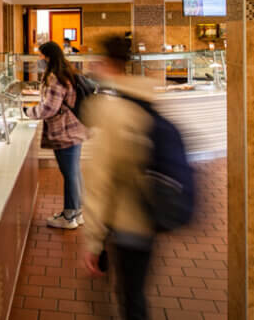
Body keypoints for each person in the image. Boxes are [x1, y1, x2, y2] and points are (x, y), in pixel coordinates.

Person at [81, 35, 157, 320]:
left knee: (127, 296)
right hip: (150, 213)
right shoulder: (147, 96)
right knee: (135, 291)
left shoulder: (109, 108)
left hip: (124, 219)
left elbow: (99, 181)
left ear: (106, 62)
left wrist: (93, 241)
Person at [25, 41, 87, 229]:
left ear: (49, 57)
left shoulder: (56, 78)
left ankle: (69, 217)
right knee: (73, 172)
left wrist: (27, 112)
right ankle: (76, 212)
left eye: (40, 56)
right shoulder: (66, 72)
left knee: (69, 173)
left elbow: (50, 108)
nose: (38, 59)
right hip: (73, 129)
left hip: (65, 131)